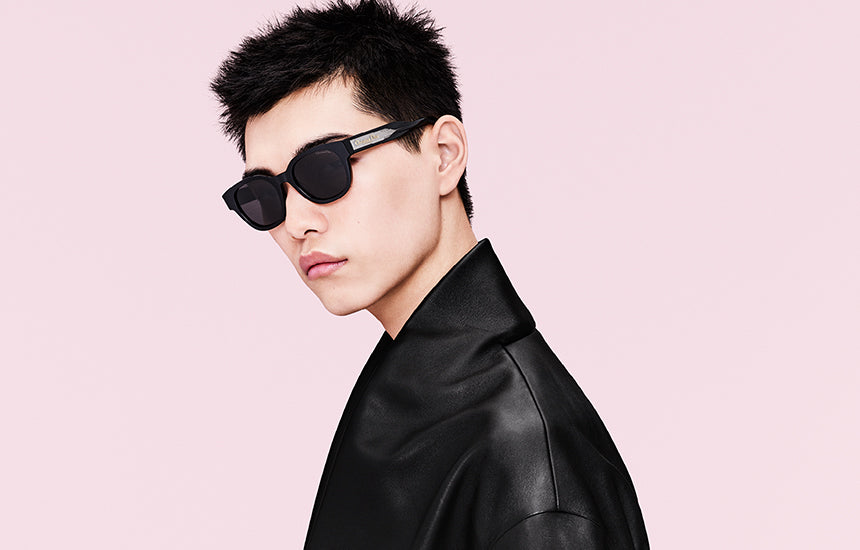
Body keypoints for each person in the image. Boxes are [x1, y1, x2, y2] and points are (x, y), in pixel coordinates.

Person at [211, 0, 648, 547]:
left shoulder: (528, 459)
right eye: (264, 195)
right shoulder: (415, 394)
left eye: (325, 170)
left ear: (443, 154)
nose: (296, 223)